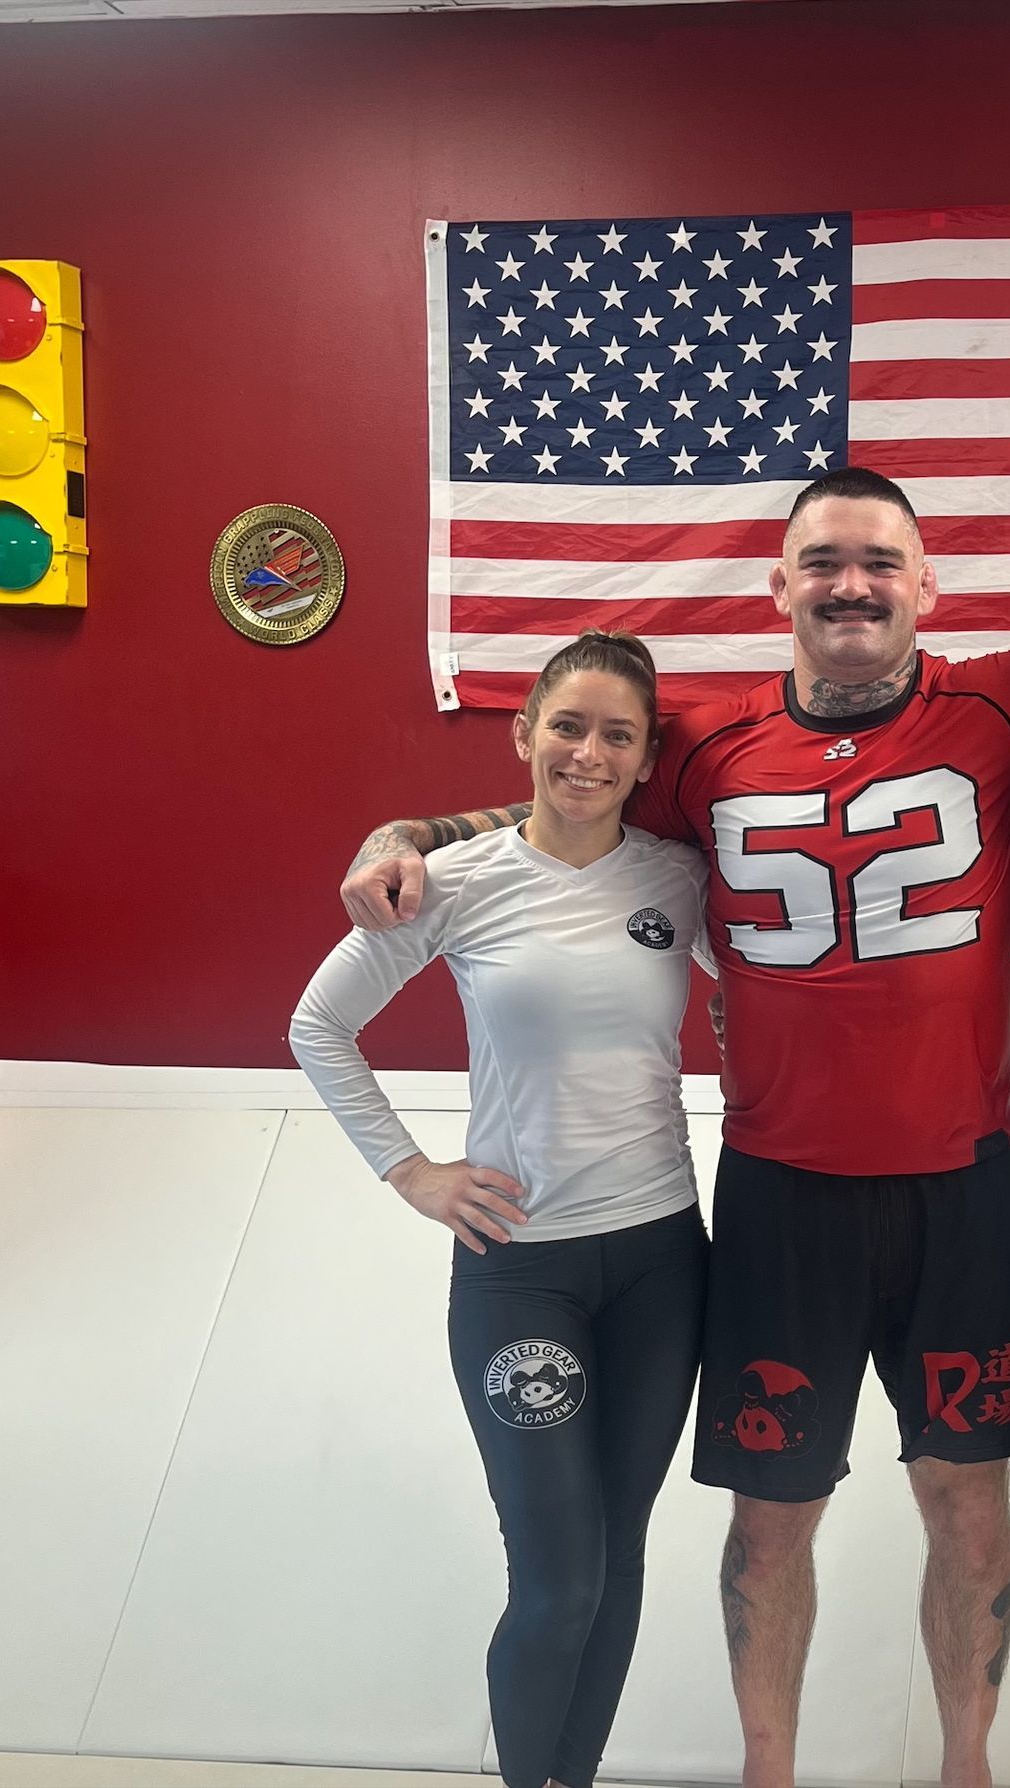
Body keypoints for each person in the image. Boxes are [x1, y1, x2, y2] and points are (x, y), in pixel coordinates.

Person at [335, 467, 1010, 1788]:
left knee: (967, 1507)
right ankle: (771, 1772)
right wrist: (411, 829)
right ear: (784, 589)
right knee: (770, 1522)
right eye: (823, 564)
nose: (852, 585)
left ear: (928, 587)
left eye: (880, 563)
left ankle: (964, 1767)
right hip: (779, 1194)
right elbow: (561, 800)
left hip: (961, 1189)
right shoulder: (699, 737)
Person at [292, 631, 712, 1788]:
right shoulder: (450, 883)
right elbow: (316, 1026)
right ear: (522, 736)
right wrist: (411, 1172)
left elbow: (799, 975)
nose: (587, 753)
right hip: (522, 1269)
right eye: (566, 727)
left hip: (663, 1265)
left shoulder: (677, 878)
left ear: (644, 760)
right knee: (557, 1579)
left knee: (617, 1561)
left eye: (616, 735)